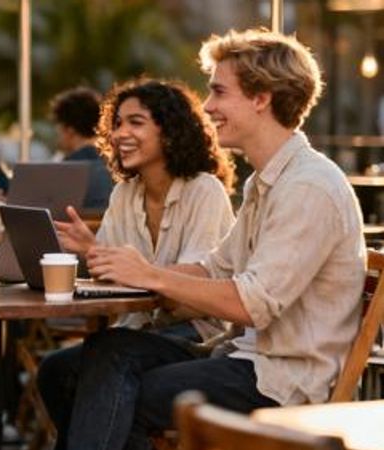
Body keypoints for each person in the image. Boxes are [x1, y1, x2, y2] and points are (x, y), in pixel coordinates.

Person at [39, 28, 366, 450]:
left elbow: (252, 303)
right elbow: (215, 267)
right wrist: (138, 271)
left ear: (260, 98)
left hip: (283, 378)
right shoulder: (266, 183)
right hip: (237, 355)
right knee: (85, 361)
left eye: (219, 92)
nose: (208, 106)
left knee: (118, 391)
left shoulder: (308, 187)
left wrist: (153, 277)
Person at [50, 79, 235, 344]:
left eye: (135, 122)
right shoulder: (124, 194)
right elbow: (113, 283)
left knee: (111, 350)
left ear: (170, 132)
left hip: (197, 332)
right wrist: (91, 251)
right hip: (137, 328)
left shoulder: (204, 190)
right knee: (54, 369)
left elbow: (195, 287)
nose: (119, 134)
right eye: (117, 124)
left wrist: (126, 267)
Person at [49, 86, 114, 210]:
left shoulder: (63, 170)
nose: (57, 133)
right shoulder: (117, 167)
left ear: (69, 130)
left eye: (58, 127)